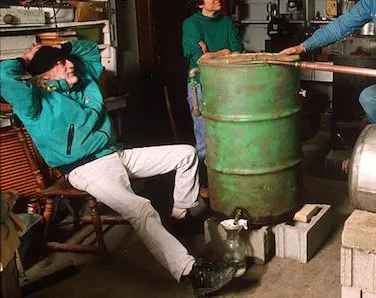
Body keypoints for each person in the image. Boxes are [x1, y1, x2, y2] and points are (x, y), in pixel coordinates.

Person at [0, 41, 234, 296]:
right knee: (140, 209)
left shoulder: (81, 81)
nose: (69, 64)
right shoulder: (34, 102)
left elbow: (90, 50)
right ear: (45, 76)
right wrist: (24, 60)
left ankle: (180, 217)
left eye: (66, 59)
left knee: (186, 154)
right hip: (87, 168)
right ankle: (191, 273)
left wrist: (61, 47)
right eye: (60, 63)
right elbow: (3, 77)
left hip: (115, 153)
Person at [182, 0, 244, 194]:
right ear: (200, 3)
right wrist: (224, 52)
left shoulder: (226, 22)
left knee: (230, 136)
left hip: (228, 87)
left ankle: (228, 181)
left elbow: (237, 52)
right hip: (201, 87)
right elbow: (199, 59)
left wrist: (212, 54)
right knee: (204, 140)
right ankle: (205, 185)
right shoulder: (191, 24)